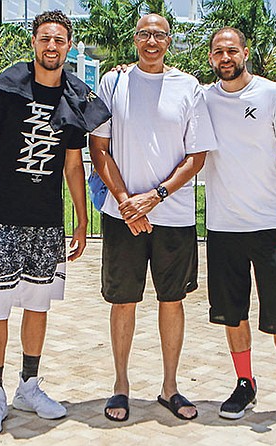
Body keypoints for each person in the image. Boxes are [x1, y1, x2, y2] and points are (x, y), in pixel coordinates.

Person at [0, 10, 110, 437]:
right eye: (45, 38)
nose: (52, 46)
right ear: (35, 42)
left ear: (69, 46)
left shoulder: (76, 96)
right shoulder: (6, 88)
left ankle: (29, 385)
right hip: (0, 218)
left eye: (60, 40)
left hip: (45, 223)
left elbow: (73, 164)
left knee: (38, 306)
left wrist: (80, 219)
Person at [89, 13, 216, 422]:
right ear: (134, 39)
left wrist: (154, 198)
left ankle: (170, 388)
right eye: (144, 34)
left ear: (169, 41)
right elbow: (99, 147)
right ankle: (121, 387)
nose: (151, 41)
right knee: (123, 301)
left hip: (173, 216)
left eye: (159, 35)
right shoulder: (113, 82)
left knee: (171, 300)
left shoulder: (189, 87)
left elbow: (196, 157)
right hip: (121, 214)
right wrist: (127, 201)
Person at [202, 27, 276, 425]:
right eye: (218, 52)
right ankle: (244, 383)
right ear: (210, 58)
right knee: (232, 314)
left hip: (272, 226)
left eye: (231, 50)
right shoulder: (203, 98)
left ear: (245, 53)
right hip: (222, 228)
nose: (225, 57)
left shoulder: (274, 95)